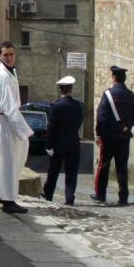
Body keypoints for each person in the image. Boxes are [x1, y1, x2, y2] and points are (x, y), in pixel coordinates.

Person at [0, 41, 33, 214]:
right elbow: (8, 106)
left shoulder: (10, 71)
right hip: (6, 121)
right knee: (8, 160)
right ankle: (8, 200)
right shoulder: (2, 75)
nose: (9, 57)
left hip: (7, 119)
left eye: (12, 54)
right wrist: (23, 129)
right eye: (6, 54)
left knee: (14, 157)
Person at [92, 65, 134, 206]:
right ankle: (123, 197)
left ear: (113, 78)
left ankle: (100, 195)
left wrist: (99, 134)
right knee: (122, 167)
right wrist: (126, 127)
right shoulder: (130, 95)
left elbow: (101, 117)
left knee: (104, 165)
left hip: (108, 137)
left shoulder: (108, 94)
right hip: (123, 137)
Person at [42, 76, 85, 206]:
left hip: (58, 143)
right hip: (73, 142)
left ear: (60, 89)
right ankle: (69, 197)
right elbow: (79, 122)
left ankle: (48, 195)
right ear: (71, 88)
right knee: (71, 172)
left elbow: (51, 127)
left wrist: (49, 145)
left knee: (53, 170)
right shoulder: (79, 105)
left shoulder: (56, 105)